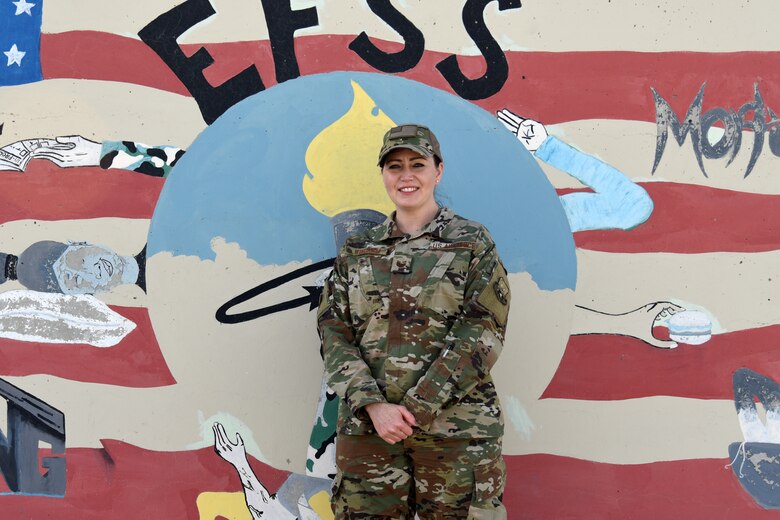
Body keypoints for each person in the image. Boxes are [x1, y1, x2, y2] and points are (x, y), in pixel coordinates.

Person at [318, 124, 511, 518]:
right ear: (384, 175)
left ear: (437, 171)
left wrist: (416, 408)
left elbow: (482, 332)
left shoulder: (472, 242)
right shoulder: (358, 250)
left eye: (417, 164)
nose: (406, 176)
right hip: (371, 438)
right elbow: (333, 331)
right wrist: (374, 405)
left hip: (456, 436)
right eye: (394, 166)